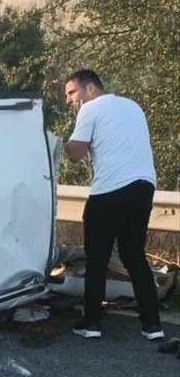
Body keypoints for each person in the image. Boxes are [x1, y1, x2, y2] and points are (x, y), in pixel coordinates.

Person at [63, 69, 163, 340]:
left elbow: (76, 153)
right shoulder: (133, 106)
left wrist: (61, 143)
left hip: (110, 190)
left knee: (97, 259)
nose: (70, 101)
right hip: (144, 187)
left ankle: (91, 323)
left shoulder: (91, 108)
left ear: (91, 88)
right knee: (134, 257)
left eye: (72, 93)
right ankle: (152, 326)